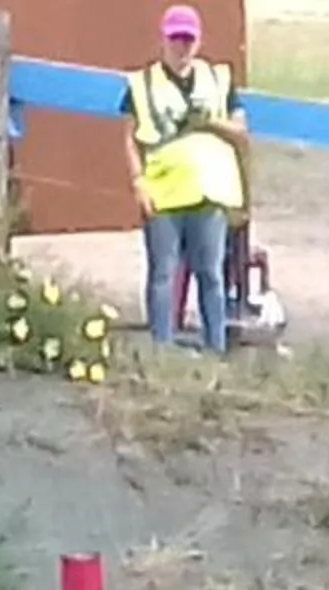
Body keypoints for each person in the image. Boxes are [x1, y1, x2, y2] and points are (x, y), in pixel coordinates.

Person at [121, 5, 248, 355]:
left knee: (211, 274)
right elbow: (129, 137)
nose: (182, 47)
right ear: (164, 39)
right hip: (163, 193)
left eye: (188, 39)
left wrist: (209, 122)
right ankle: (162, 351)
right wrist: (138, 183)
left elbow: (241, 131)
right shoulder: (142, 84)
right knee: (163, 274)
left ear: (198, 41)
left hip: (209, 190)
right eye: (176, 38)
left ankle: (215, 350)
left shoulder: (218, 79)